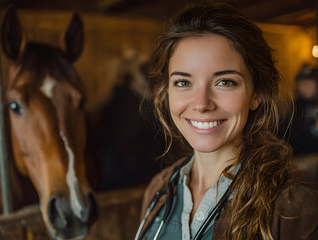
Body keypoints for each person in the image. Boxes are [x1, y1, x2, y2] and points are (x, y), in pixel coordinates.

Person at [135, 2, 318, 240]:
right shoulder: (158, 190)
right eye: (183, 82)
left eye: (225, 82)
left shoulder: (295, 211)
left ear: (256, 94)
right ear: (166, 91)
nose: (201, 104)